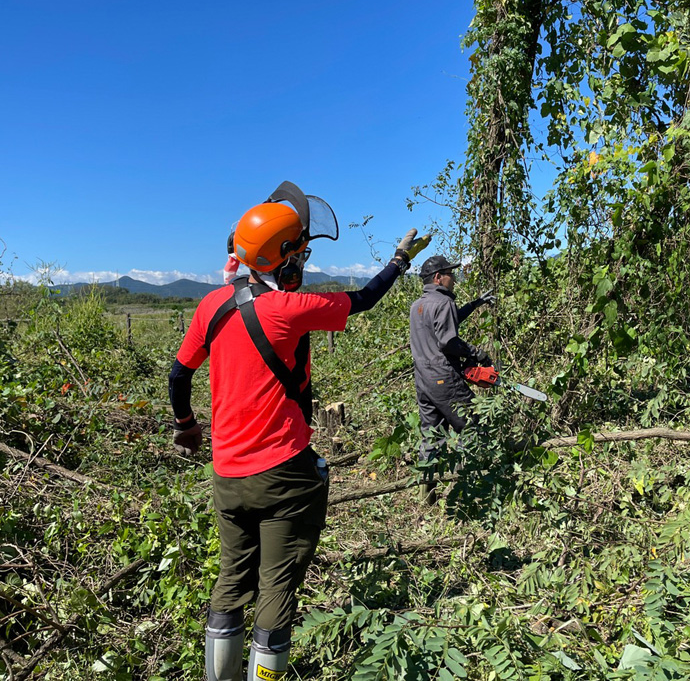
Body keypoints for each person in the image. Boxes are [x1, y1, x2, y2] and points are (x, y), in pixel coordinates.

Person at [168, 182, 428, 681]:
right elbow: (365, 299)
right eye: (301, 255)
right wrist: (398, 259)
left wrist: (187, 426)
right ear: (285, 259)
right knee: (277, 589)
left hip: (227, 476)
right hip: (285, 475)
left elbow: (179, 375)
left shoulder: (211, 306)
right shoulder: (292, 308)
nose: (303, 264)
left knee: (229, 584)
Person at [408, 255, 494, 499]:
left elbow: (443, 324)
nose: (454, 279)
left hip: (423, 381)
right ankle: (469, 489)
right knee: (474, 427)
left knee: (431, 436)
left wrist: (475, 304)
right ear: (438, 277)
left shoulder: (418, 306)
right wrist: (475, 353)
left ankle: (426, 494)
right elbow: (447, 341)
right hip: (444, 379)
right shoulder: (443, 303)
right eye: (450, 274)